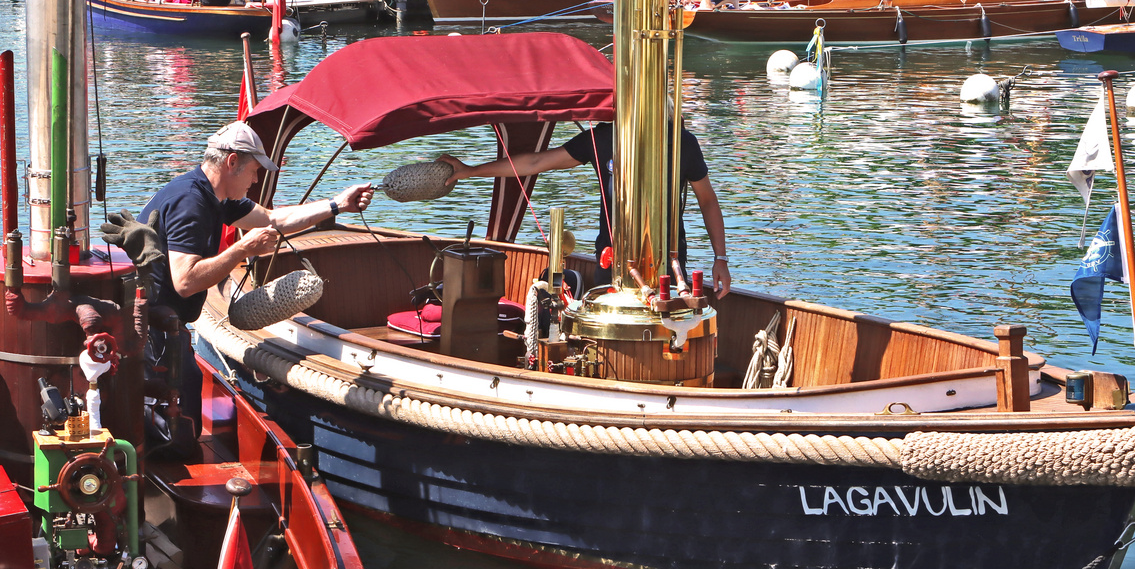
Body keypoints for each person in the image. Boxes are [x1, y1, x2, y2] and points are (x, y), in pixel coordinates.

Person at [136, 121, 375, 449]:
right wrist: (242, 249)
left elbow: (275, 221)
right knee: (178, 428)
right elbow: (186, 282)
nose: (257, 179)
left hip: (168, 325)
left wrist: (336, 205)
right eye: (254, 169)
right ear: (232, 162)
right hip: (150, 328)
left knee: (189, 400)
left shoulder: (217, 196)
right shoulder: (190, 202)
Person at [435, 124, 730, 298]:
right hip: (610, 261)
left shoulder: (682, 142)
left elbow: (707, 200)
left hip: (670, 261)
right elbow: (535, 163)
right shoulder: (602, 137)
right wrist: (470, 171)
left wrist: (721, 259)